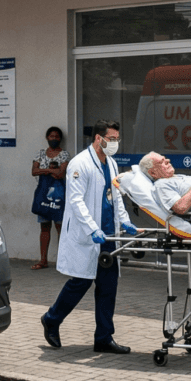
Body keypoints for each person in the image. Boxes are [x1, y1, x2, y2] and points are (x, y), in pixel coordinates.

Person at [41, 120, 139, 354]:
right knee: (80, 282)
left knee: (108, 287)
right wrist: (92, 228)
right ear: (98, 139)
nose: (115, 143)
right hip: (88, 235)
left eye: (117, 139)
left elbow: (116, 197)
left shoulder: (112, 164)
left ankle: (104, 338)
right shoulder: (79, 164)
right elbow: (75, 201)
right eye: (111, 139)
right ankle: (52, 319)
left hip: (109, 236)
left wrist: (125, 220)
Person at [31, 126, 67, 270]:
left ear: (60, 139)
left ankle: (63, 261)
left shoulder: (64, 155)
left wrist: (44, 170)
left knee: (60, 228)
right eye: (51, 136)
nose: (54, 139)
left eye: (56, 136)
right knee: (44, 227)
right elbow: (34, 171)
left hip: (58, 195)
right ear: (47, 138)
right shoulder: (40, 153)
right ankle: (43, 260)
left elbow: (60, 174)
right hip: (43, 194)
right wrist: (51, 170)